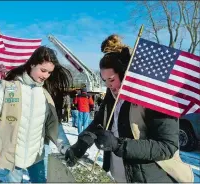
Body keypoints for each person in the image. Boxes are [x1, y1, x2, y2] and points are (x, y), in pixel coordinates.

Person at [64, 35, 194, 183]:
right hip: (121, 177)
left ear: (125, 74)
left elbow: (167, 146)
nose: (108, 85)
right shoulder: (111, 96)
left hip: (152, 178)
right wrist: (81, 144)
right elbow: (99, 122)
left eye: (111, 79)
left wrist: (119, 145)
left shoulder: (154, 97)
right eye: (104, 80)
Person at [0, 46, 72, 183]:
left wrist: (65, 146)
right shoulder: (8, 87)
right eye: (43, 70)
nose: (45, 76)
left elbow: (53, 125)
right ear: (33, 64)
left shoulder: (46, 94)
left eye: (49, 72)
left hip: (37, 155)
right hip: (12, 155)